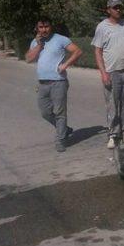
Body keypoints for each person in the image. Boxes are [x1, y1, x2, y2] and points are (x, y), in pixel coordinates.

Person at [25, 17, 82, 152]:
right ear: (37, 28)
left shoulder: (60, 39)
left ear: (51, 27)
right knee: (45, 112)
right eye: (41, 27)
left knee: (60, 112)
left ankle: (61, 140)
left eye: (46, 27)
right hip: (42, 83)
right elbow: (28, 59)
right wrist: (39, 45)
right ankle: (65, 129)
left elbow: (77, 51)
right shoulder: (36, 42)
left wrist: (65, 65)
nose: (44, 30)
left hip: (58, 82)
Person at [91, 0, 124, 149]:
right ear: (108, 10)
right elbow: (98, 52)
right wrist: (103, 73)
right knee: (112, 105)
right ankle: (113, 134)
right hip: (112, 72)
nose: (118, 9)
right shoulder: (102, 27)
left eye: (120, 7)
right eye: (115, 7)